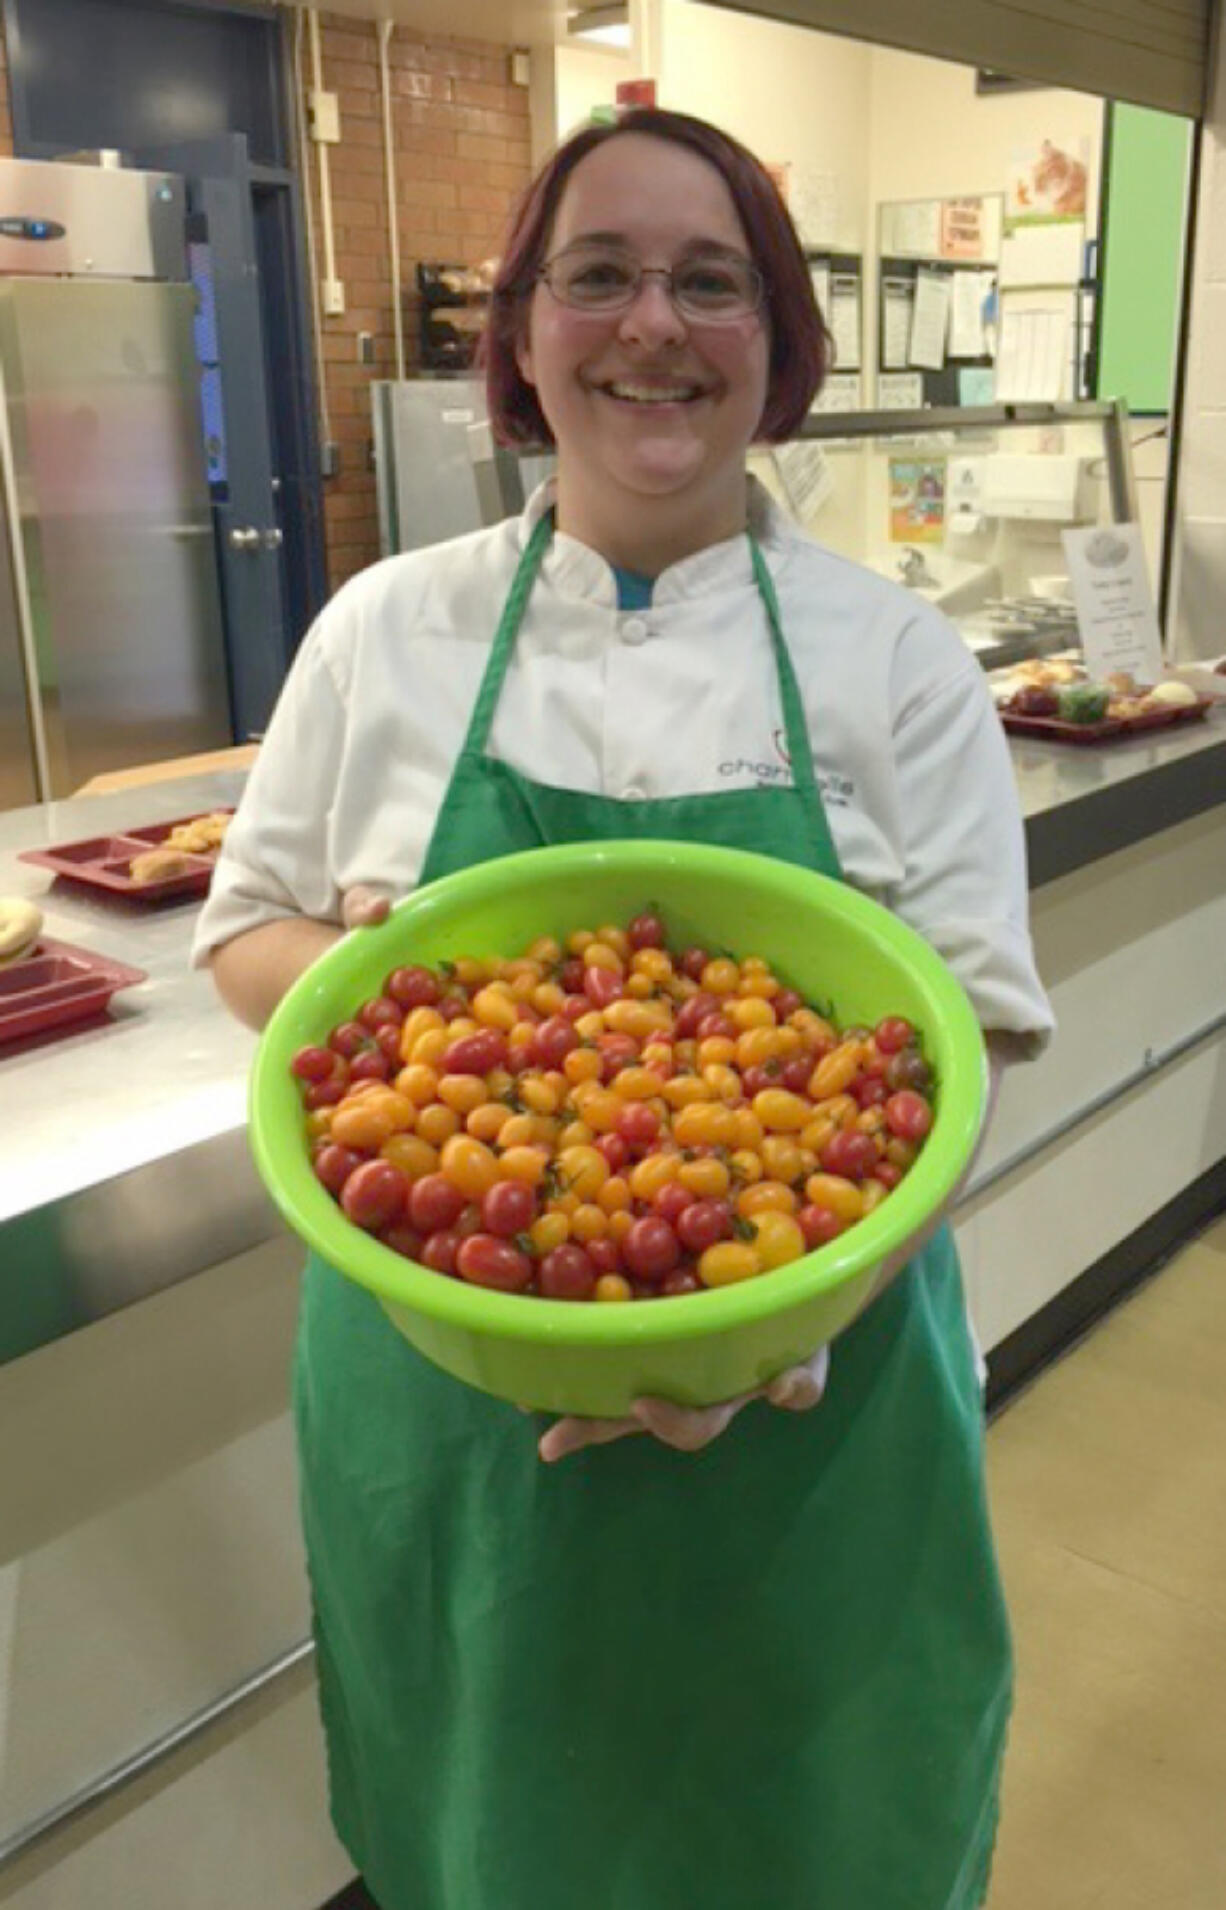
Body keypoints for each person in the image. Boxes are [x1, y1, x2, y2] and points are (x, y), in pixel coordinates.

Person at [195, 106, 1053, 1910]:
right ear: (517, 337)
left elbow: (958, 1038)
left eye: (709, 283)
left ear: (779, 345)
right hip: (450, 1397)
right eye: (595, 277)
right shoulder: (380, 629)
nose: (650, 324)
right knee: (490, 1838)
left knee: (812, 1835)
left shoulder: (892, 656)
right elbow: (248, 937)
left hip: (819, 1384)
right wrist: (400, 972)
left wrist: (790, 1315)